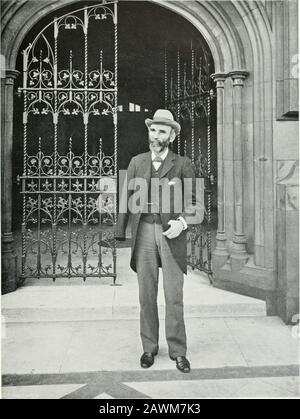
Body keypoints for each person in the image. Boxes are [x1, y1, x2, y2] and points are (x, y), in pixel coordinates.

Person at [116, 109, 204, 373]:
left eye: (162, 131)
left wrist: (183, 223)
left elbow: (198, 204)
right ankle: (149, 348)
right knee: (146, 294)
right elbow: (125, 199)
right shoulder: (136, 162)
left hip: (171, 234)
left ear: (172, 135)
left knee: (173, 295)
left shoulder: (183, 164)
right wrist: (120, 231)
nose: (156, 135)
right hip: (144, 231)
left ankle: (178, 351)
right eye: (153, 130)